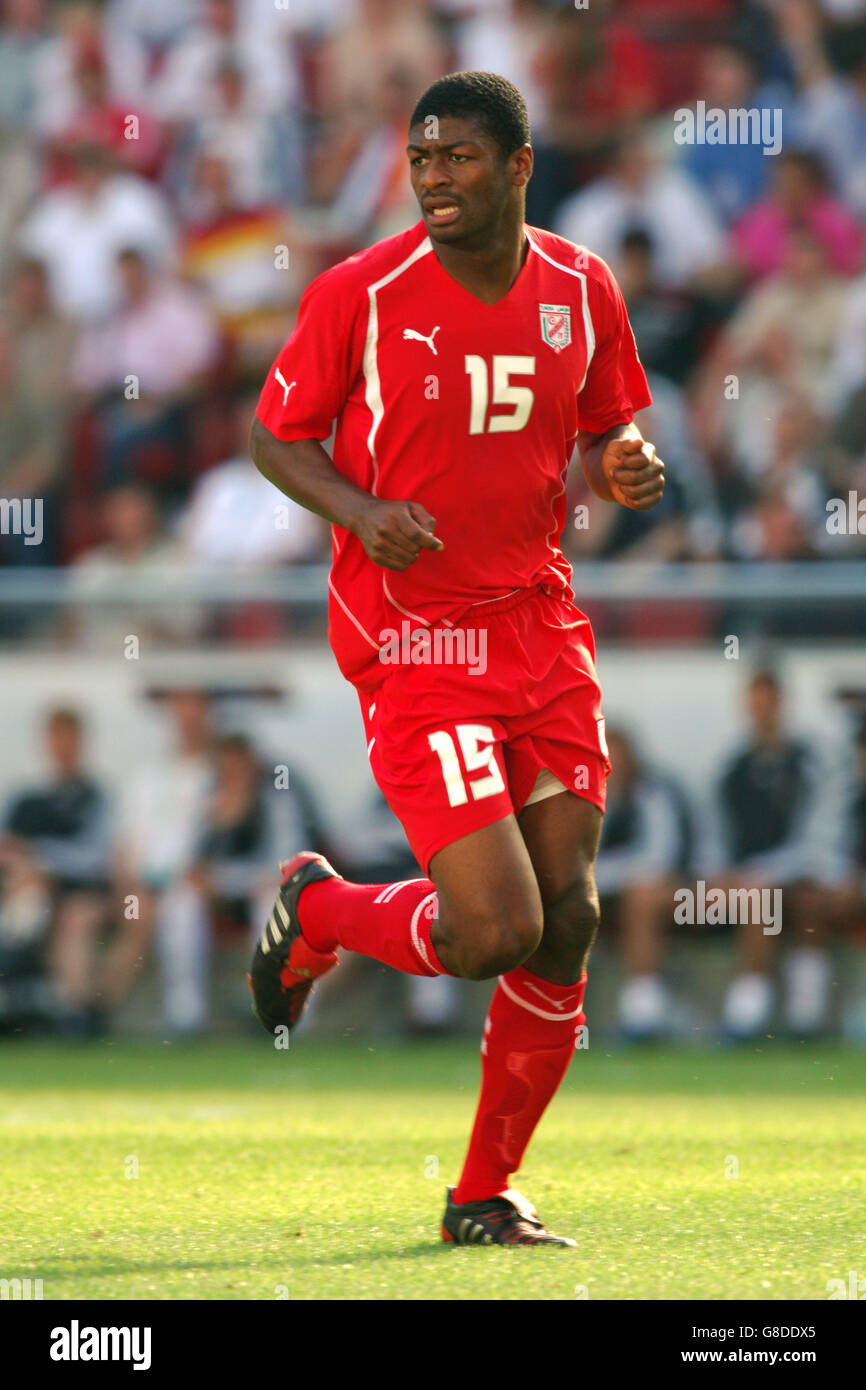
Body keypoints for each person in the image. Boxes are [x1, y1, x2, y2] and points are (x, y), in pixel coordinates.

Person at [248, 72, 664, 1248]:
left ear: (519, 165)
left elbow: (608, 425)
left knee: (566, 917)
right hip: (415, 636)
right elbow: (273, 433)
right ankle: (317, 908)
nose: (433, 175)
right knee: (491, 932)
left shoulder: (581, 287)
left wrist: (628, 461)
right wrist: (358, 505)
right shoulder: (362, 291)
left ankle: (481, 1194)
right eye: (421, 156)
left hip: (537, 623)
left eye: (458, 157)